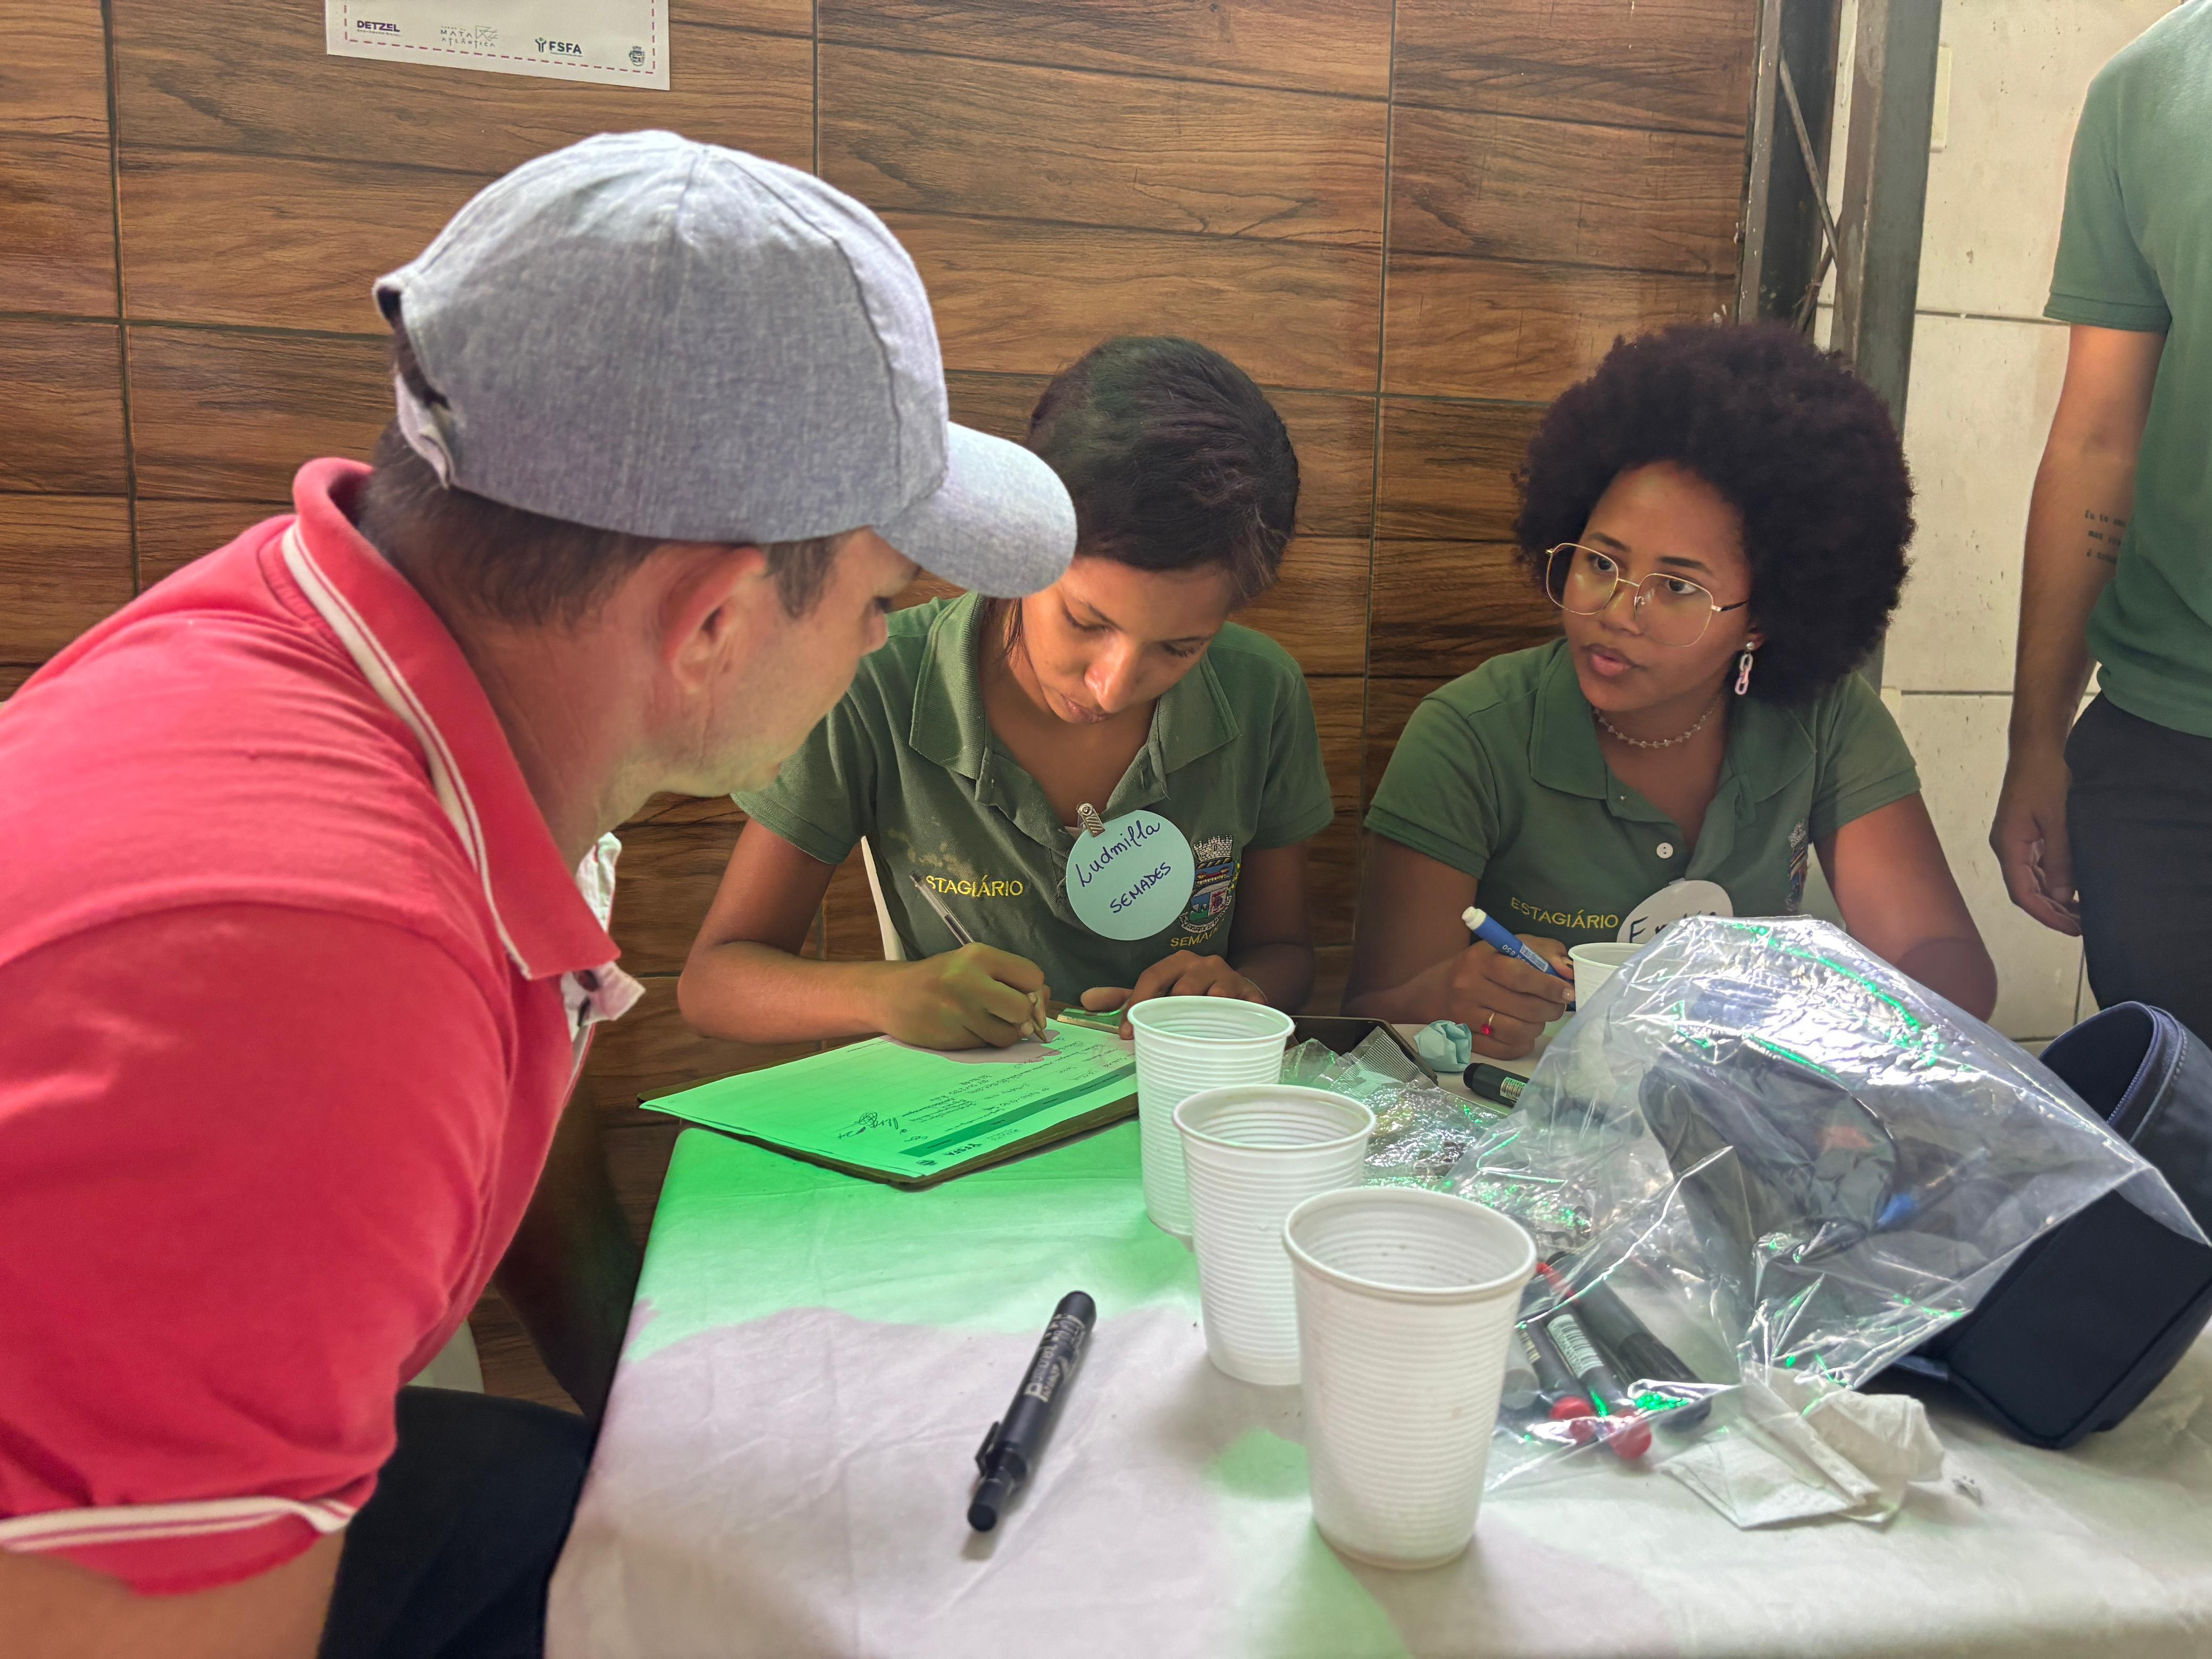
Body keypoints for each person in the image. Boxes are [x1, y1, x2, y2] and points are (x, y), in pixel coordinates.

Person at [0, 133, 1074, 1657]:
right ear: (711, 624)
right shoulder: (324, 981)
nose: (880, 647)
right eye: (882, 604)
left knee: (631, 1529)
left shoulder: (321, 629)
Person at [1345, 322, 1996, 1058]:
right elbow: (1369, 1019)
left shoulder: (1827, 719)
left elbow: (1941, 957)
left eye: (1679, 586)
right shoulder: (1470, 734)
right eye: (1601, 563)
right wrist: (1455, 998)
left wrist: (1840, 1010)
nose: (1619, 613)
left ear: (1766, 618)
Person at [679, 336, 1335, 1049]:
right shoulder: (876, 685)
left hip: (1177, 1096)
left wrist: (1242, 991)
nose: (1112, 687)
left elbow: (1284, 953)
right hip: (966, 1110)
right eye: (1086, 621)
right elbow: (716, 981)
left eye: (1180, 648)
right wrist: (885, 994)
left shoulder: (1260, 692)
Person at [1990, 3, 2211, 1042]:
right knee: (2170, 1127)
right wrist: (2036, 736)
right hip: (2165, 757)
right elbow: (2097, 441)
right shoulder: (2147, 85)